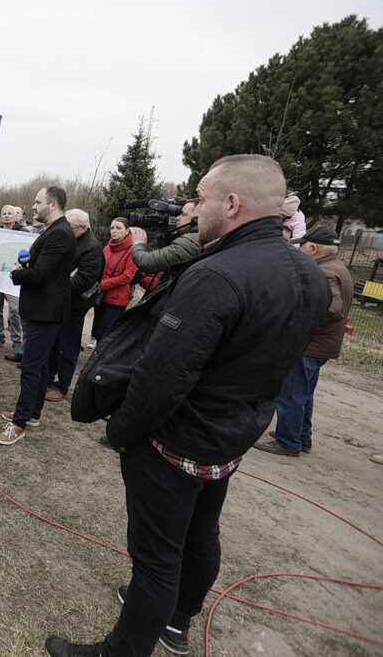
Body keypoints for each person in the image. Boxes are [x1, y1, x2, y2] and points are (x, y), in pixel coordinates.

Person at [45, 155, 330, 657]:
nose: (194, 209)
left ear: (233, 202)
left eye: (201, 198)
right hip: (231, 435)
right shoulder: (307, 272)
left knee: (157, 558)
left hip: (177, 440)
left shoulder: (217, 275)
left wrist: (122, 431)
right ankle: (177, 620)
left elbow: (163, 376)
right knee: (201, 532)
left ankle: (123, 650)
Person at [255, 227, 354, 456]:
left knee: (292, 393)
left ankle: (287, 441)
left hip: (311, 344)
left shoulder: (325, 272)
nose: (300, 250)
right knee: (304, 392)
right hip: (323, 344)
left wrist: (302, 323)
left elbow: (334, 309)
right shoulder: (338, 267)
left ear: (313, 248)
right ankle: (301, 436)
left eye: (302, 246)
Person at [0, 187, 76, 445]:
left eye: (37, 202)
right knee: (39, 367)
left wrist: (17, 273)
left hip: (47, 312)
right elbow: (44, 267)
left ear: (52, 205)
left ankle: (19, 423)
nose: (33, 206)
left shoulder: (61, 233)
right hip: (43, 308)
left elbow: (41, 274)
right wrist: (29, 266)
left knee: (30, 367)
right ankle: (32, 413)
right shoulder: (54, 230)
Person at [44, 208, 101, 401]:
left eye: (69, 226)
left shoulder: (91, 247)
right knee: (52, 343)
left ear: (83, 228)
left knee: (68, 347)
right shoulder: (70, 240)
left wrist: (54, 283)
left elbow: (83, 281)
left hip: (74, 306)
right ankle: (48, 378)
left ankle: (62, 386)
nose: (65, 229)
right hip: (58, 301)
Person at [0, 204, 31, 360]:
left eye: (10, 213)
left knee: (14, 310)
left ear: (16, 216)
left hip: (15, 278)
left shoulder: (24, 233)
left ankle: (16, 341)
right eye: (4, 213)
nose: (6, 216)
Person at [93, 217, 137, 341]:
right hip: (101, 295)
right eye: (112, 228)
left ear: (127, 230)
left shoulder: (132, 250)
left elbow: (127, 276)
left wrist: (103, 284)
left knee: (105, 334)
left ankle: (103, 359)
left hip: (116, 299)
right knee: (97, 332)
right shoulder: (107, 248)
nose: (114, 231)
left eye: (118, 228)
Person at [128, 200, 201, 274]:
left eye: (183, 214)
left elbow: (146, 262)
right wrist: (162, 235)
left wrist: (138, 243)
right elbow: (168, 258)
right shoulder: (195, 237)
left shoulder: (191, 242)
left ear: (196, 218)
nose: (177, 218)